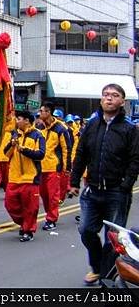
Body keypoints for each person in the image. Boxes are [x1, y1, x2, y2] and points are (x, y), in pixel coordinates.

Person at [69, 84, 139, 285]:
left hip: (117, 193)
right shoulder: (91, 126)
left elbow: (135, 160)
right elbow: (81, 153)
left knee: (113, 239)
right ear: (101, 100)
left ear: (122, 102)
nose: (109, 98)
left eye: (114, 95)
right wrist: (74, 181)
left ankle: (105, 277)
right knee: (86, 231)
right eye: (105, 95)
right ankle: (98, 266)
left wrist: (126, 185)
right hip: (92, 190)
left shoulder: (129, 129)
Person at [3, 111, 45, 242]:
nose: (17, 121)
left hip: (30, 178)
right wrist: (12, 144)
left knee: (30, 208)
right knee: (10, 205)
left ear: (27, 121)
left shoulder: (38, 135)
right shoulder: (15, 134)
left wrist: (23, 150)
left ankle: (28, 230)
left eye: (19, 119)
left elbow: (40, 154)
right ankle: (24, 223)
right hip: (14, 177)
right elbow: (6, 153)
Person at [37, 101, 70, 231]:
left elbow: (66, 148)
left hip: (54, 168)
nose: (40, 113)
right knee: (44, 195)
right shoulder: (39, 128)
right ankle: (49, 214)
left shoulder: (61, 129)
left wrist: (67, 168)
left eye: (42, 111)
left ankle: (51, 219)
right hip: (40, 167)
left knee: (53, 195)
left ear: (48, 112)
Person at [60, 114, 80, 204]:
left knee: (68, 174)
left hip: (73, 156)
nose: (70, 124)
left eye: (71, 122)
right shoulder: (64, 130)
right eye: (68, 122)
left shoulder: (75, 131)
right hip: (67, 156)